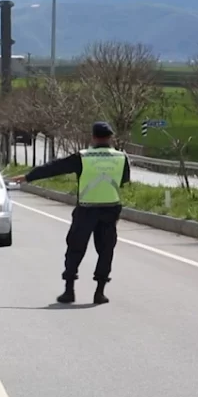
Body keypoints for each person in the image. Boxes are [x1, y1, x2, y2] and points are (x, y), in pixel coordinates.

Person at [10, 122, 130, 305]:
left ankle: (69, 290)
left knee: (75, 248)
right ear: (110, 138)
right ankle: (99, 292)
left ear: (93, 137)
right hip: (110, 209)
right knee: (106, 251)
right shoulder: (122, 157)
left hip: (86, 209)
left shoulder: (83, 157)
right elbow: (124, 179)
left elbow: (55, 168)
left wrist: (28, 177)